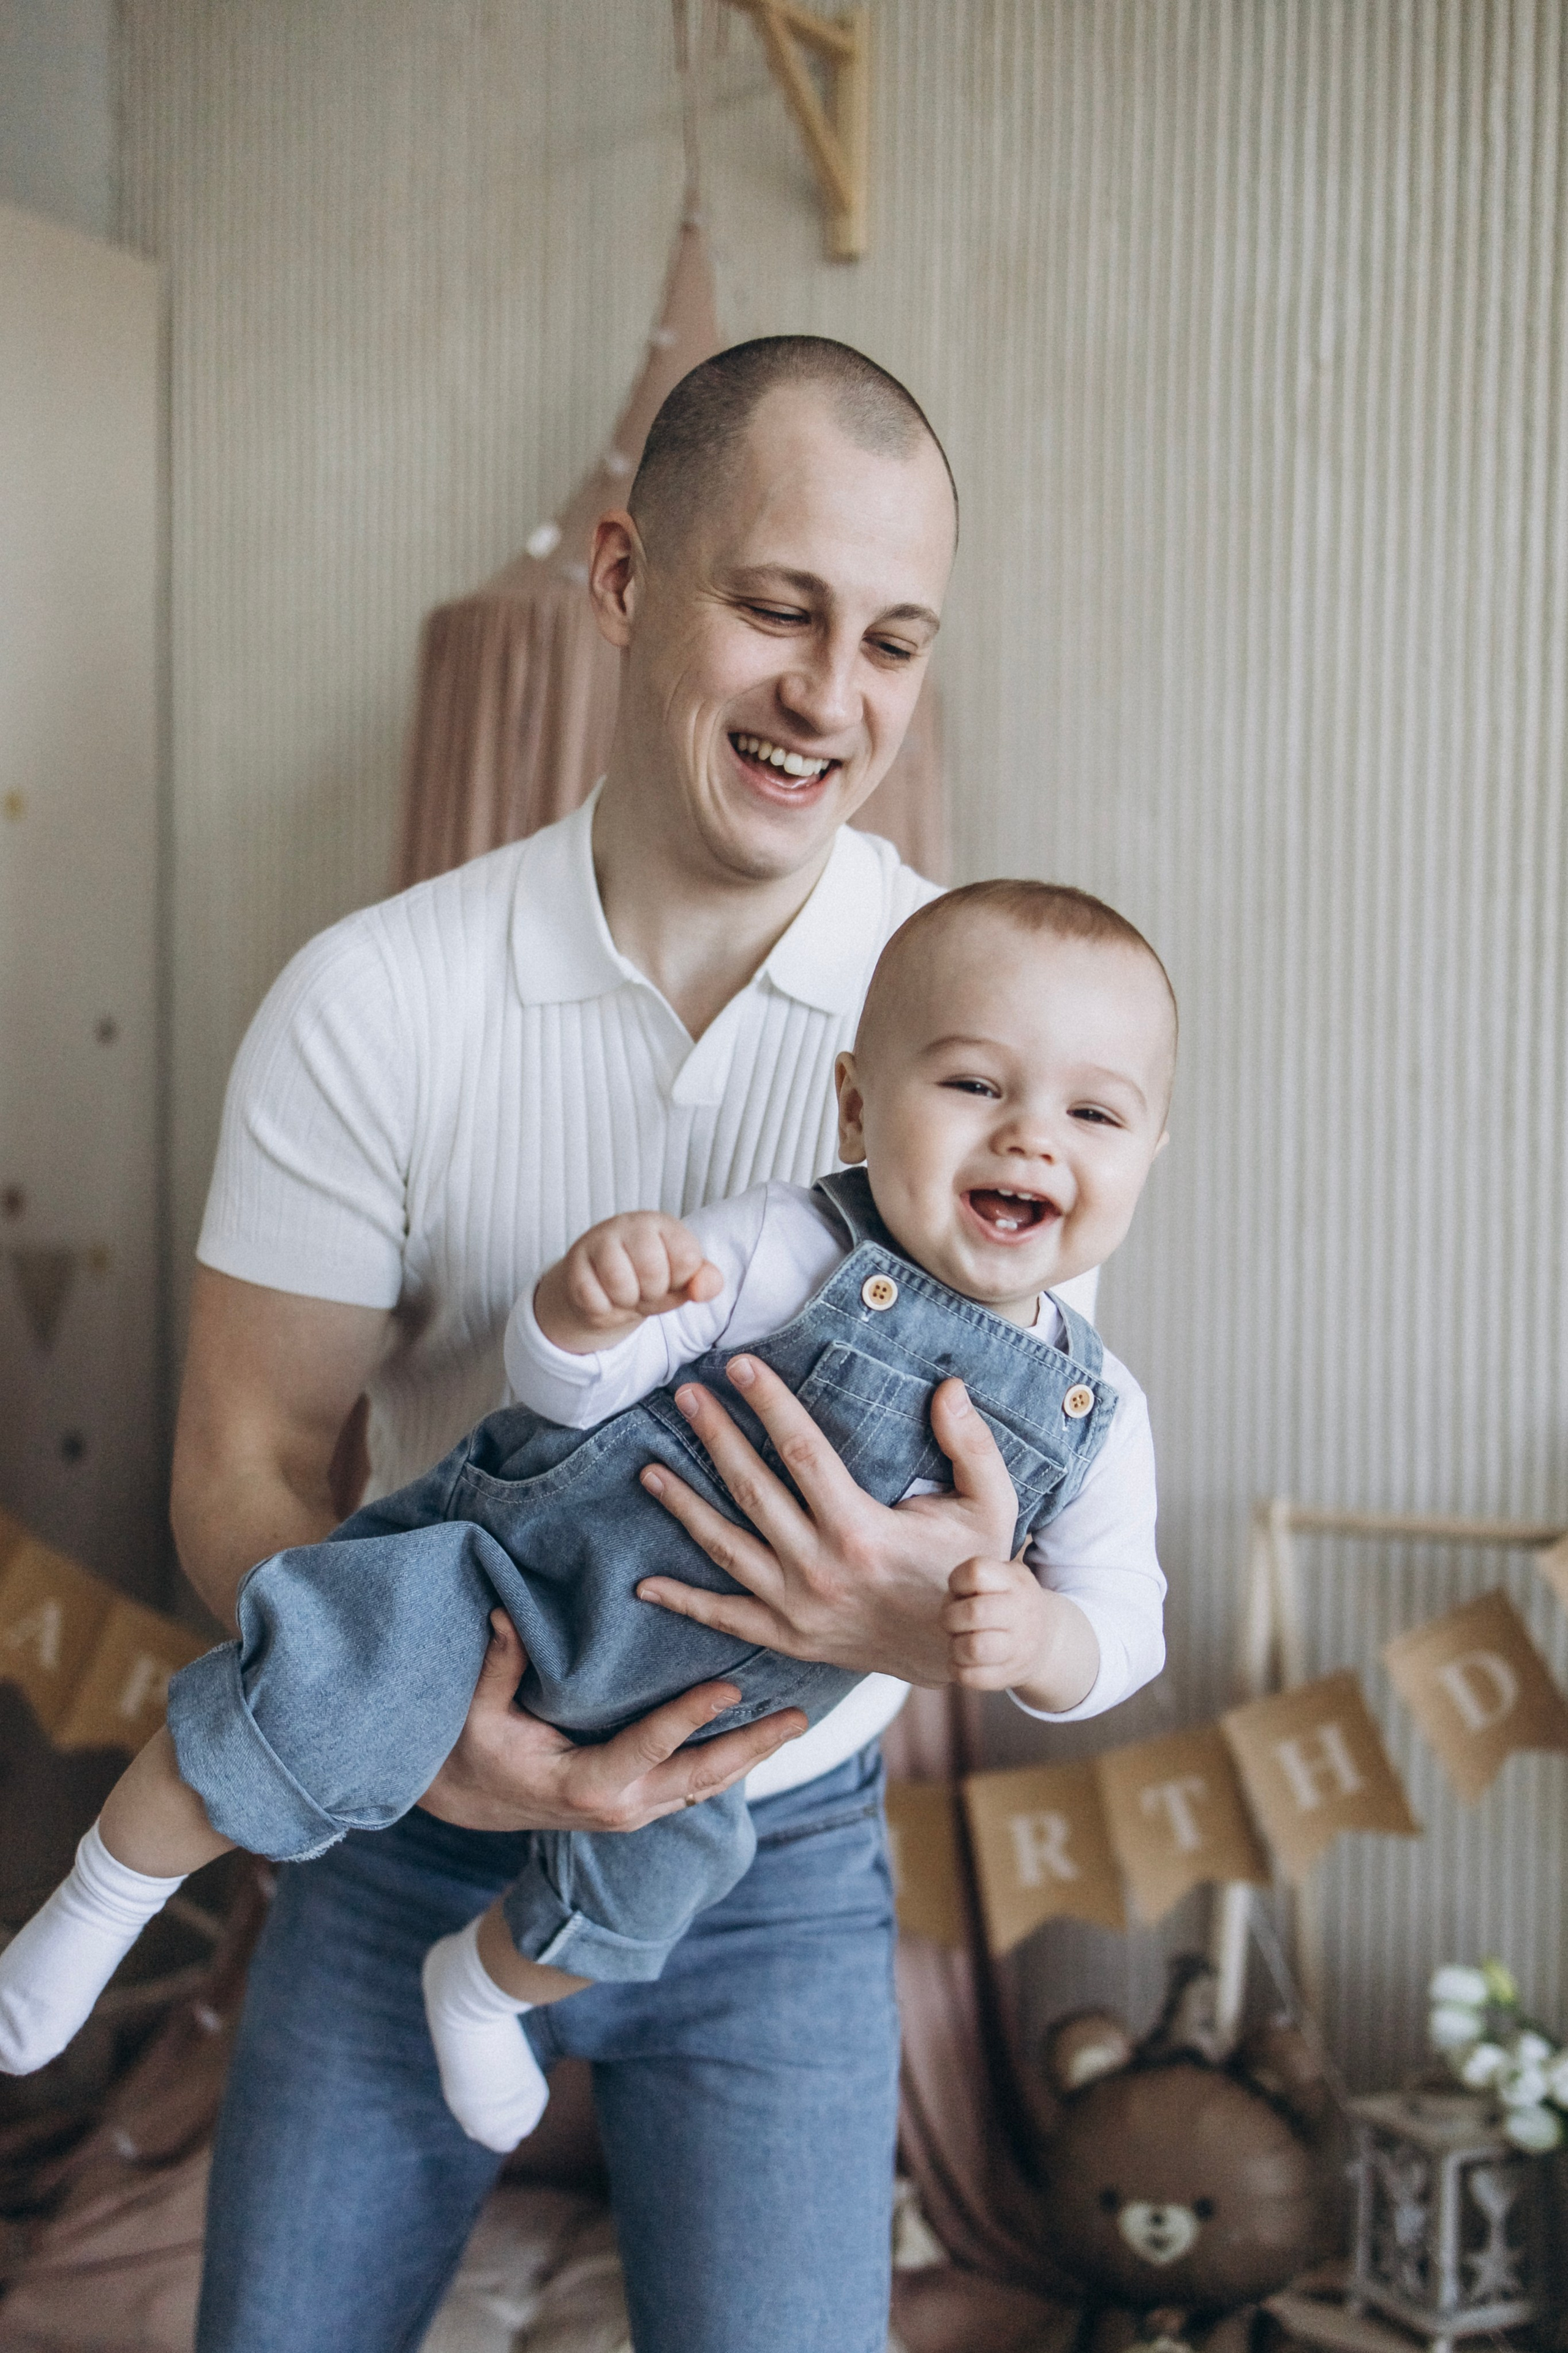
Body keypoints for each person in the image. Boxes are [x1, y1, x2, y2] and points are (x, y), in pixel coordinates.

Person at [135, 335, 1135, 2353]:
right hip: (412, 1824)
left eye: (892, 640)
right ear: (619, 576)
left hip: (779, 1860)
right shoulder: (375, 1003)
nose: (828, 699)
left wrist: (942, 1603)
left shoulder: (1000, 1020)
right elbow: (242, 1467)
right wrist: (435, 1736)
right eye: (777, 607)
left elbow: (1021, 1495)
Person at [0, 882, 1172, 2169]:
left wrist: (1033, 1634)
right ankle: (103, 1896)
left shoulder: (1095, 1413)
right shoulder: (791, 1243)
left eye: (1092, 1113)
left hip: (703, 1739)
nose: (1031, 1141)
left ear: (1146, 1152)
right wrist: (581, 1309)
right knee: (309, 1689)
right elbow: (567, 1396)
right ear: (853, 1103)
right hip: (511, 1591)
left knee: (654, 1890)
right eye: (972, 1087)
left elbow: (1123, 1634)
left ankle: (484, 1989)